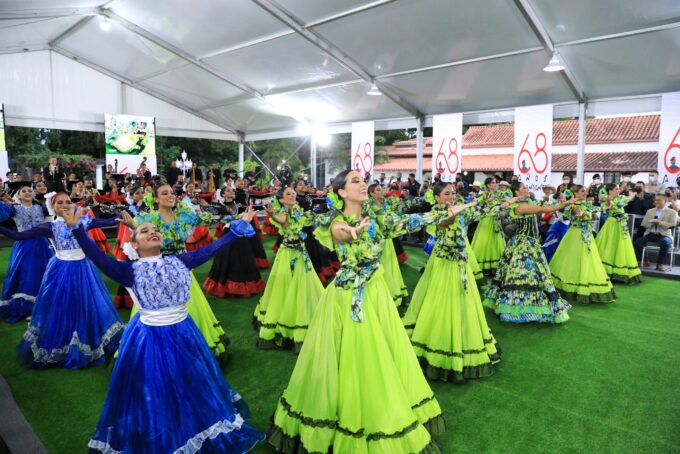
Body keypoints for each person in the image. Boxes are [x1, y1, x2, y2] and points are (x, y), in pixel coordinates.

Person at [267, 169, 445, 453]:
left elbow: (406, 221)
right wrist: (351, 232)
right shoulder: (334, 219)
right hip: (351, 297)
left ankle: (380, 404)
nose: (363, 184)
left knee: (382, 350)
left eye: (363, 180)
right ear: (340, 192)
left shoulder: (376, 217)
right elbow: (338, 233)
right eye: (355, 181)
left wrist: (440, 213)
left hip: (376, 293)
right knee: (357, 352)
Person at [62, 209, 264, 453]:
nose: (153, 232)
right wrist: (77, 231)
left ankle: (196, 425)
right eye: (144, 231)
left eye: (155, 229)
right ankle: (163, 434)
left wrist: (237, 227)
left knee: (192, 383)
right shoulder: (127, 270)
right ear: (134, 244)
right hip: (150, 339)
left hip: (185, 333)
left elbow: (212, 249)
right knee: (156, 390)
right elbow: (97, 257)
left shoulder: (179, 261)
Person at [0, 193, 125, 369]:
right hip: (61, 270)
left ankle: (86, 339)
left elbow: (107, 221)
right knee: (61, 306)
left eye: (68, 201)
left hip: (83, 268)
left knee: (86, 303)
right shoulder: (50, 226)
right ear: (53, 207)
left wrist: (122, 216)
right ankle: (64, 344)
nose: (65, 205)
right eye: (60, 202)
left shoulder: (83, 220)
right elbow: (19, 236)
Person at [402, 182, 500, 383]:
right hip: (444, 264)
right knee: (442, 302)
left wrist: (493, 202)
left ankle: (462, 340)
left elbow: (481, 212)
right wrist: (459, 209)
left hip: (461, 265)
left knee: (463, 303)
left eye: (453, 192)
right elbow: (444, 223)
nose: (451, 196)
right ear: (436, 198)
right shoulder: (436, 213)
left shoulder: (462, 210)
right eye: (446, 193)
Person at [124, 184, 230, 363]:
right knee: (157, 318)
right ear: (156, 199)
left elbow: (211, 219)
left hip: (181, 272)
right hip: (156, 276)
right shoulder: (148, 219)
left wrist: (237, 219)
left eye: (172, 193)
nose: (170, 196)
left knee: (188, 314)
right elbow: (139, 237)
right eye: (164, 193)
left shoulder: (184, 216)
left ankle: (191, 355)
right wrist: (133, 225)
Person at [484, 182, 573, 323]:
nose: (527, 189)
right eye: (524, 188)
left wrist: (561, 201)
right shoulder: (521, 206)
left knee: (530, 275)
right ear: (517, 192)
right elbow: (547, 208)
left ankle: (525, 306)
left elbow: (545, 205)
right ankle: (518, 309)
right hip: (523, 246)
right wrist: (565, 204)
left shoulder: (528, 202)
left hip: (528, 243)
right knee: (524, 276)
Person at [254, 187, 324, 351]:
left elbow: (309, 220)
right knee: (286, 285)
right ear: (282, 200)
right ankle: (288, 321)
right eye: (288, 194)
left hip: (300, 253)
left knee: (302, 285)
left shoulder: (299, 211)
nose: (292, 195)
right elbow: (282, 220)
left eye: (293, 193)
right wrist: (271, 215)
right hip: (288, 255)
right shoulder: (283, 213)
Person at [549, 185, 616, 304]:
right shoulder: (574, 205)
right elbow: (581, 215)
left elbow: (600, 210)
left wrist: (596, 212)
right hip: (576, 236)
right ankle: (572, 286)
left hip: (587, 235)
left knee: (587, 259)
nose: (585, 193)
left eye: (586, 191)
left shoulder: (585, 204)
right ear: (575, 193)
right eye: (582, 191)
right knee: (574, 259)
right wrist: (587, 214)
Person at [0, 186, 53, 323]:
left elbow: (56, 211)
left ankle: (42, 307)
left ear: (34, 193)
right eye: (23, 191)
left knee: (44, 273)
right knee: (27, 274)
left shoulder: (41, 208)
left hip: (42, 245)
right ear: (19, 195)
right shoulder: (13, 209)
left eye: (30, 190)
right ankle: (28, 308)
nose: (27, 193)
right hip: (24, 246)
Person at [203, 187, 266, 298]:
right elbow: (213, 214)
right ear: (222, 194)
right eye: (227, 191)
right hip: (228, 233)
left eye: (232, 191)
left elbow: (250, 214)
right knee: (226, 258)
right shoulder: (219, 206)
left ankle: (244, 285)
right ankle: (225, 286)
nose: (231, 192)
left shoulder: (240, 206)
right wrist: (204, 204)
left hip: (241, 234)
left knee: (242, 257)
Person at [368, 183, 409, 306]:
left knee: (391, 264)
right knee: (382, 264)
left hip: (388, 239)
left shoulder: (386, 203)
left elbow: (401, 206)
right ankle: (385, 294)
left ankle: (396, 291)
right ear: (372, 193)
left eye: (382, 189)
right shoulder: (370, 206)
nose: (382, 191)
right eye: (378, 190)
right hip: (378, 241)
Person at [595, 184, 641, 284]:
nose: (618, 190)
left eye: (618, 188)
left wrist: (631, 194)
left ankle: (619, 272)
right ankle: (605, 271)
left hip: (621, 225)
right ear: (610, 191)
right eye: (616, 189)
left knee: (621, 247)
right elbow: (606, 208)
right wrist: (607, 200)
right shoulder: (604, 200)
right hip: (612, 224)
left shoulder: (622, 197)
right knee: (610, 245)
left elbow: (629, 198)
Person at [470, 177, 506, 276]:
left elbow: (504, 203)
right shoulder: (484, 193)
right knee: (485, 241)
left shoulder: (499, 194)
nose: (495, 184)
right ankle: (484, 267)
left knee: (495, 241)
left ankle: (496, 267)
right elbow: (478, 204)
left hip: (496, 220)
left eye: (495, 183)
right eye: (493, 183)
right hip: (486, 220)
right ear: (488, 185)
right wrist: (489, 199)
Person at [634, 193, 678, 272]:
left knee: (665, 242)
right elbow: (644, 223)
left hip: (664, 235)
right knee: (636, 243)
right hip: (650, 234)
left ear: (665, 201)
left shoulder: (672, 212)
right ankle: (645, 260)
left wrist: (659, 222)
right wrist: (651, 222)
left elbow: (673, 224)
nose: (656, 201)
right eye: (656, 200)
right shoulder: (650, 211)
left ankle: (659, 263)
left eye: (659, 200)